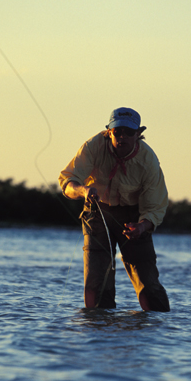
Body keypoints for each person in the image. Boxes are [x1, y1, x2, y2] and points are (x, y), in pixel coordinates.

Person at [58, 107, 170, 312]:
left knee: (148, 285)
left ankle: (157, 328)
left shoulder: (148, 161)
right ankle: (98, 330)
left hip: (134, 217)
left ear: (138, 134)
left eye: (129, 132)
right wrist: (83, 191)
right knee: (97, 285)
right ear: (108, 132)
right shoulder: (92, 147)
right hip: (97, 212)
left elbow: (155, 206)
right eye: (117, 132)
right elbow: (67, 181)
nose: (122, 137)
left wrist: (142, 227)